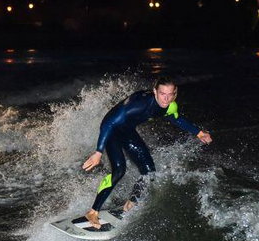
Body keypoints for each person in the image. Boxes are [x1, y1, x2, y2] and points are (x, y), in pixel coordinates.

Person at [81, 76, 212, 228]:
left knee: (149, 171)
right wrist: (98, 152)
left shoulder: (170, 106)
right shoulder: (138, 104)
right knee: (119, 170)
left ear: (175, 94)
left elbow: (177, 119)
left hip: (128, 131)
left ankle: (130, 204)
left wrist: (199, 133)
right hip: (111, 130)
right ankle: (93, 211)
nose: (166, 98)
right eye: (163, 93)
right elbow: (109, 122)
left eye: (170, 94)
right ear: (155, 91)